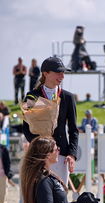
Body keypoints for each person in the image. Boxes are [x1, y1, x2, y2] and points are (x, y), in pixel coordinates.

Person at [23, 56, 78, 185]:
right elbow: (26, 127)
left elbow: (73, 129)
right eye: (58, 72)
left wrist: (72, 154)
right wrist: (39, 147)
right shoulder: (31, 96)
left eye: (63, 72)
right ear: (45, 73)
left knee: (60, 196)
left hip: (61, 156)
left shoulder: (68, 97)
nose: (62, 76)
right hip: (39, 156)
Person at [0, 133, 13, 203]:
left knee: (3, 198)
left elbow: (8, 162)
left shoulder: (3, 148)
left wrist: (8, 174)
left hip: (2, 176)